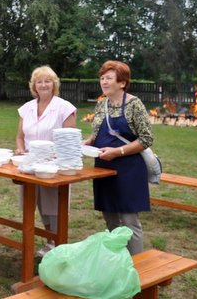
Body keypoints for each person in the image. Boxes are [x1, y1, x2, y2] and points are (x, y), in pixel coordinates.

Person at [83, 60, 154, 255]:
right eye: (102, 78)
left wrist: (118, 152)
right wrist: (87, 142)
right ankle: (117, 262)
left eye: (109, 78)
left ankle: (137, 267)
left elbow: (147, 138)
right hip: (103, 168)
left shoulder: (134, 104)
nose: (104, 82)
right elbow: (97, 134)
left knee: (130, 221)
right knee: (110, 217)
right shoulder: (101, 105)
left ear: (122, 83)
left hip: (129, 169)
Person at [14, 66, 77, 257]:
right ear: (34, 86)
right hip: (30, 165)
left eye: (47, 81)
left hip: (54, 167)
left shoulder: (65, 108)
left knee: (54, 206)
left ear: (54, 84)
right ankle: (50, 240)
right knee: (37, 202)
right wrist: (20, 149)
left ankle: (58, 242)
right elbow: (19, 136)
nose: (43, 85)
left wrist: (57, 159)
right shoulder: (27, 109)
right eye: (39, 81)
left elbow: (70, 140)